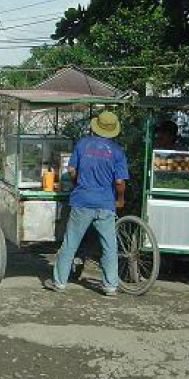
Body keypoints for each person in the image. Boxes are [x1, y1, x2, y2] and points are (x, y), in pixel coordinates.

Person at [45, 111, 129, 296]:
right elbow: (120, 182)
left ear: (96, 126)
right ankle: (110, 286)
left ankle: (59, 282)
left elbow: (72, 170)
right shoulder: (117, 151)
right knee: (109, 246)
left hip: (82, 201)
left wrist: (77, 183)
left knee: (70, 243)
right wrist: (120, 199)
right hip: (106, 204)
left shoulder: (83, 144)